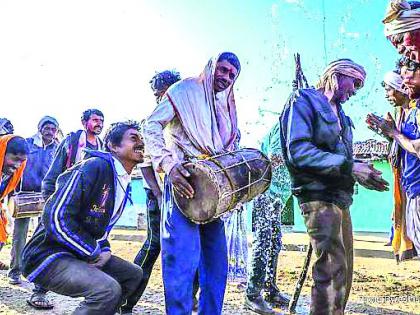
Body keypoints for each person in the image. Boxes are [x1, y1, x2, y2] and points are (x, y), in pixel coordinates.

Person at [280, 59, 389, 314]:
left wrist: (362, 170)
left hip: (341, 199)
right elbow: (298, 151)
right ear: (338, 75)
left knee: (343, 273)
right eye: (355, 83)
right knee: (330, 270)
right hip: (318, 197)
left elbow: (343, 159)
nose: (355, 91)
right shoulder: (303, 100)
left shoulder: (342, 115)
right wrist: (350, 167)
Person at [143, 52, 241, 315]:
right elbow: (150, 125)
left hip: (214, 193)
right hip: (182, 185)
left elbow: (231, 147)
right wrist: (168, 165)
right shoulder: (184, 90)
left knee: (216, 263)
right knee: (181, 263)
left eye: (232, 74)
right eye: (222, 69)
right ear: (211, 68)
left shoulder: (227, 107)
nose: (226, 77)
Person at [21, 121, 144, 315]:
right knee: (107, 290)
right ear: (113, 146)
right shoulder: (93, 167)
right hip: (49, 255)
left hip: (78, 253)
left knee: (134, 275)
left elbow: (99, 227)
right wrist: (93, 251)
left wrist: (104, 249)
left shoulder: (122, 180)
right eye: (133, 138)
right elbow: (55, 216)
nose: (141, 143)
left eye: (142, 139)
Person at [124, 70, 195, 312]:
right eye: (156, 95)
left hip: (184, 193)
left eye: (161, 93)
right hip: (160, 195)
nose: (158, 99)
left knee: (190, 248)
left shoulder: (184, 115)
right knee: (153, 245)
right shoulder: (154, 120)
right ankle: (126, 301)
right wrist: (159, 193)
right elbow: (144, 163)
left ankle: (189, 299)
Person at [367, 58, 420, 259]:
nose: (387, 95)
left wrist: (393, 133)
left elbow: (416, 148)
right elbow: (403, 148)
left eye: (390, 89)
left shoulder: (417, 112)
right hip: (412, 188)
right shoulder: (403, 114)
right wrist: (387, 132)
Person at [7, 116, 60, 309]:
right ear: (40, 128)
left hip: (46, 197)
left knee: (43, 237)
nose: (50, 130)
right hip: (25, 195)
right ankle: (15, 271)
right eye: (47, 127)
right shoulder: (28, 143)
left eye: (53, 128)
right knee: (19, 236)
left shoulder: (58, 147)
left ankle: (37, 274)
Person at [245, 122, 291, 315]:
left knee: (275, 243)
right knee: (263, 243)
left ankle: (270, 289)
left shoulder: (299, 129)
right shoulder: (284, 127)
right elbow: (273, 158)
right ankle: (252, 295)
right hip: (264, 193)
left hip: (279, 196)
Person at [42, 108, 104, 198]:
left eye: (101, 121)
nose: (99, 124)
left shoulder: (102, 147)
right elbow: (54, 171)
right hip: (67, 194)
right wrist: (49, 198)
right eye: (95, 120)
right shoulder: (71, 141)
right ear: (84, 122)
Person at [0, 135, 28, 270]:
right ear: (2, 151)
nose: (17, 166)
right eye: (15, 159)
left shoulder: (9, 173)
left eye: (21, 161)